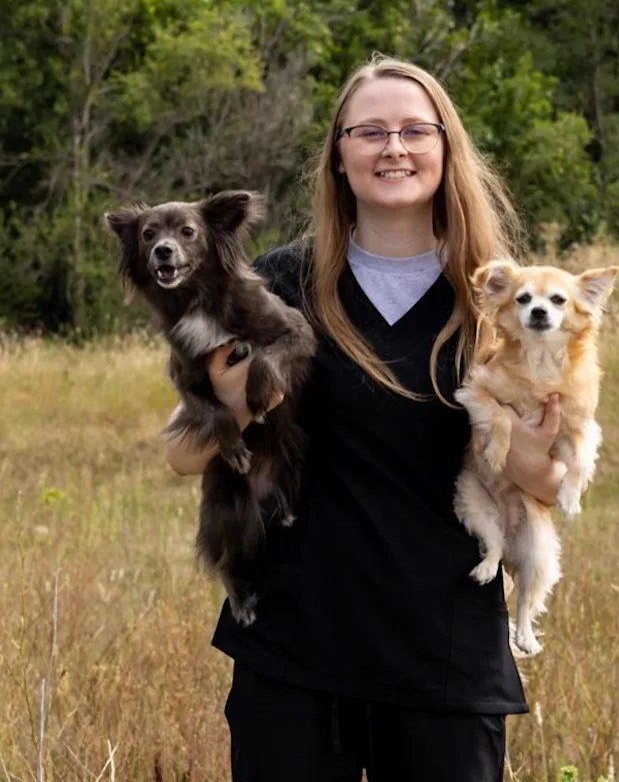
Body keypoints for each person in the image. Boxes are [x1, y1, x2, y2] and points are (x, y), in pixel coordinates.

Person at [164, 54, 565, 782]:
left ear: (447, 147)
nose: (394, 147)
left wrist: (533, 451)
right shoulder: (277, 283)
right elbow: (183, 456)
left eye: (416, 129)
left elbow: (545, 476)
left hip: (443, 658)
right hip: (294, 653)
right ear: (339, 156)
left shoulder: (500, 299)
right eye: (370, 131)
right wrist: (230, 402)